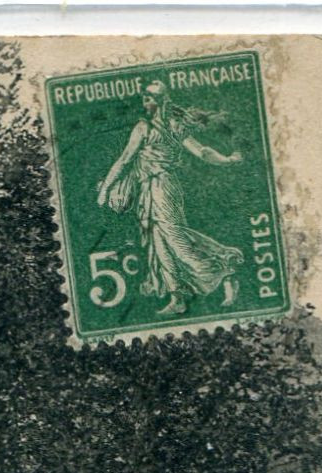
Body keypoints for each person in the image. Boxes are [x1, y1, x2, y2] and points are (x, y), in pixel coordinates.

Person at [96, 80, 245, 317]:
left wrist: (227, 160)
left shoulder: (173, 126)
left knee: (175, 238)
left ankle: (224, 272)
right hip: (147, 189)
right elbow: (124, 160)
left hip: (164, 186)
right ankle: (178, 297)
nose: (146, 99)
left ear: (162, 100)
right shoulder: (142, 128)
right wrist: (106, 188)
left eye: (151, 96)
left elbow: (202, 151)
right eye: (145, 96)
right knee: (159, 242)